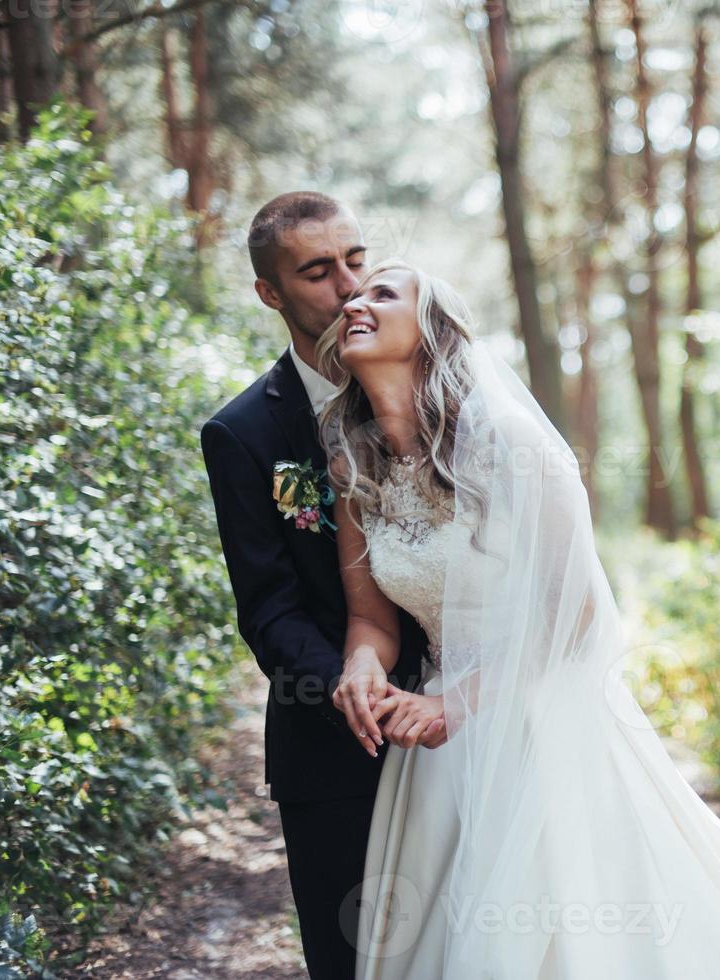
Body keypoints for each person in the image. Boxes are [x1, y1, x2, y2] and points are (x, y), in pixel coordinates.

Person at [317, 258, 720, 978]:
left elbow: (577, 613)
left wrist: (454, 705)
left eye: (381, 293)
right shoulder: (354, 468)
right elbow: (371, 617)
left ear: (432, 333)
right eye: (352, 298)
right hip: (434, 748)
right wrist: (360, 668)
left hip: (538, 724)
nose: (354, 304)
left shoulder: (509, 446)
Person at [198, 193, 443, 979]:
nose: (346, 287)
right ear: (271, 293)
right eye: (316, 271)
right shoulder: (243, 434)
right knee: (352, 961)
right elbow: (265, 603)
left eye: (356, 260)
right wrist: (345, 685)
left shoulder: (456, 398)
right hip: (336, 744)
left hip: (470, 725)